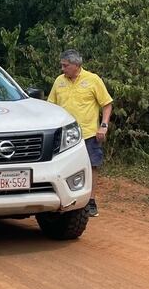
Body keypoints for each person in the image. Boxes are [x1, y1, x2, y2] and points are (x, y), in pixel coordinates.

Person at [47, 49, 113, 217]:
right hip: (63, 137)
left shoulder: (93, 80)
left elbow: (107, 104)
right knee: (63, 167)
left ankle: (90, 201)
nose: (62, 69)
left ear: (76, 65)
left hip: (88, 133)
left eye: (65, 65)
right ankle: (65, 200)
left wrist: (104, 125)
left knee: (91, 165)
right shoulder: (59, 81)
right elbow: (50, 106)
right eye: (62, 65)